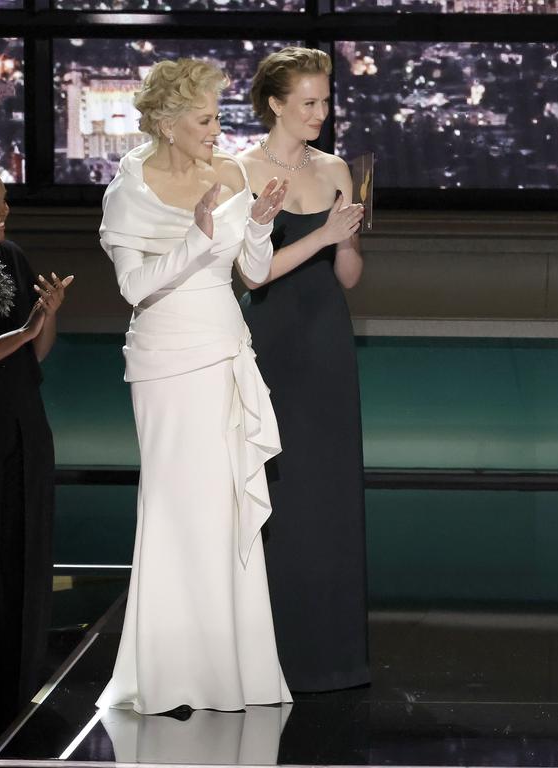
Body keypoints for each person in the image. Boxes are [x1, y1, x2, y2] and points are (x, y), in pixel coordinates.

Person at [96, 58, 292, 714]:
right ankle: (171, 669)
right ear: (168, 123)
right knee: (178, 513)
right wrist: (197, 238)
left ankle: (237, 672)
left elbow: (254, 273)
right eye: (205, 119)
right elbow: (132, 287)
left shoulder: (235, 174)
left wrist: (258, 223)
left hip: (225, 351)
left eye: (217, 116)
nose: (218, 128)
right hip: (165, 364)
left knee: (226, 510)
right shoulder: (130, 187)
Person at [238, 46, 368, 692]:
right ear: (276, 104)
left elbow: (347, 276)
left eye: (325, 101)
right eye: (309, 102)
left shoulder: (336, 167)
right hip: (267, 341)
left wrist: (345, 238)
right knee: (276, 492)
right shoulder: (239, 169)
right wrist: (318, 237)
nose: (321, 112)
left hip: (326, 343)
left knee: (330, 490)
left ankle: (334, 656)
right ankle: (271, 659)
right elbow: (248, 271)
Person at [0, 178, 72, 732]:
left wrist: (47, 317)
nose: (2, 214)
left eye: (3, 204)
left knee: (26, 552)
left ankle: (20, 685)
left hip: (25, 421)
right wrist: (24, 331)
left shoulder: (12, 257)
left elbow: (35, 350)